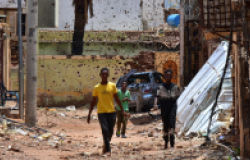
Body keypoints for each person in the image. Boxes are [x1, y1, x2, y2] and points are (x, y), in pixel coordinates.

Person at [87, 68, 128, 156]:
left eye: (106, 74)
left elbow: (117, 98)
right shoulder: (97, 87)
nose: (104, 75)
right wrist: (89, 114)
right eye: (103, 74)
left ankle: (105, 145)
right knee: (104, 130)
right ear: (100, 75)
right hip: (101, 112)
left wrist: (123, 110)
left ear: (108, 75)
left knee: (111, 132)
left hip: (112, 111)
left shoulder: (112, 85)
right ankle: (108, 150)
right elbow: (93, 101)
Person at [151, 69, 180, 149]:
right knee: (165, 126)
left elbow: (178, 97)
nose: (168, 77)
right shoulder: (161, 87)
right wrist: (155, 104)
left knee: (171, 125)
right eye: (166, 75)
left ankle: (172, 143)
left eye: (169, 76)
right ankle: (166, 142)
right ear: (165, 76)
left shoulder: (175, 87)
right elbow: (157, 97)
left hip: (172, 108)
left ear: (171, 77)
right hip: (164, 108)